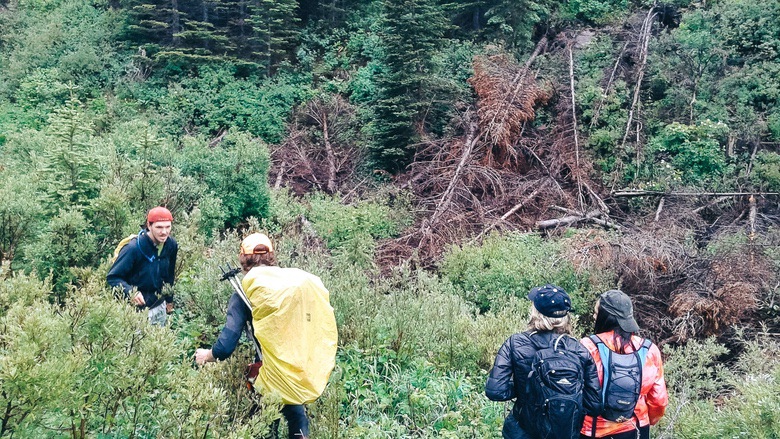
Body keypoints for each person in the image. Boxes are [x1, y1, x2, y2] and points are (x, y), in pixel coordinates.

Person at [195, 233, 338, 439]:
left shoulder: (245, 293)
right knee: (297, 417)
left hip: (267, 369)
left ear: (243, 259)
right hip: (297, 366)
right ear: (271, 256)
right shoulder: (291, 285)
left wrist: (207, 355)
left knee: (263, 421)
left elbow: (226, 345)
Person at [486, 284, 602, 439]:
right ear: (566, 316)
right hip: (565, 433)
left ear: (536, 313)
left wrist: (526, 389)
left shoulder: (516, 343)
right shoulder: (579, 350)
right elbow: (594, 406)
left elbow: (495, 391)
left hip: (522, 431)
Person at [579, 290, 668, 439]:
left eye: (596, 313)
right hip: (636, 428)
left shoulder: (587, 346)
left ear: (604, 317)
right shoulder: (649, 350)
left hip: (594, 430)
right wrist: (649, 420)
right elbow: (659, 399)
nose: (594, 317)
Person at [107, 206, 177, 326]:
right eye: (159, 227)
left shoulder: (171, 245)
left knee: (158, 343)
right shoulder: (133, 248)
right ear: (149, 226)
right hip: (136, 311)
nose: (164, 232)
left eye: (167, 227)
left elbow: (169, 275)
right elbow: (113, 277)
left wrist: (169, 300)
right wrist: (130, 292)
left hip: (159, 305)